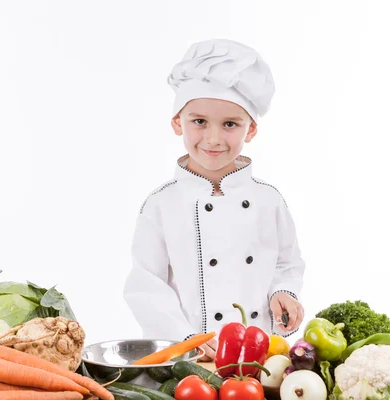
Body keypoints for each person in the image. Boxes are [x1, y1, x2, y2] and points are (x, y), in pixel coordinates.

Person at [123, 39, 306, 361]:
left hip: (259, 357)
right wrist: (186, 338)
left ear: (251, 130)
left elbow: (287, 263)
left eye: (230, 124)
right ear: (177, 122)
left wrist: (283, 292)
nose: (213, 138)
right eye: (199, 121)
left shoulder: (268, 200)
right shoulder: (160, 204)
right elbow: (146, 285)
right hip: (188, 357)